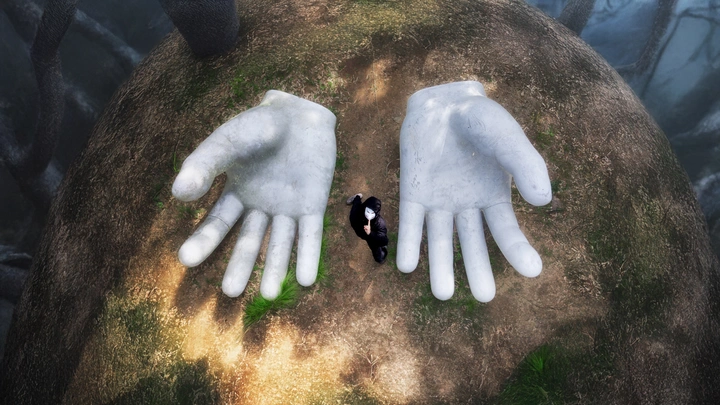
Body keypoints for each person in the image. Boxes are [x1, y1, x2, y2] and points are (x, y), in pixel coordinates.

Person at [347, 193, 389, 263]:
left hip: (371, 238)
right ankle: (357, 196)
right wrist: (357, 198)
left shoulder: (380, 223)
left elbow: (384, 241)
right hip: (360, 233)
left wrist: (370, 233)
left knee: (376, 248)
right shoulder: (357, 210)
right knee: (356, 202)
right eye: (368, 211)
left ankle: (380, 256)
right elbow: (353, 213)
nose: (369, 215)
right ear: (364, 207)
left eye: (372, 213)